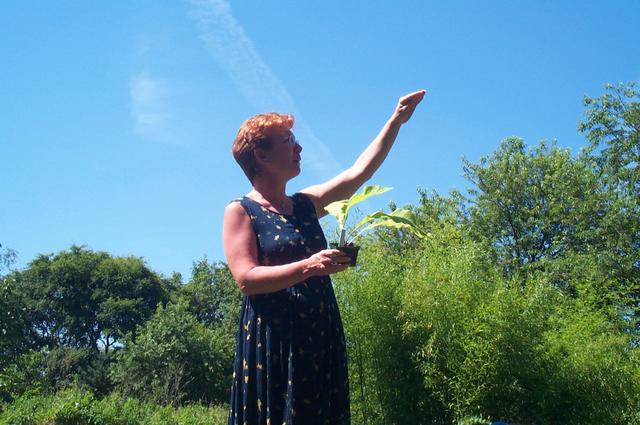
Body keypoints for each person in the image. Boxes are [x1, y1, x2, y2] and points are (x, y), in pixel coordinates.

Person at [223, 90, 426, 425]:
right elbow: (246, 279)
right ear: (261, 155)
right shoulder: (241, 210)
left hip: (319, 336)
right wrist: (311, 265)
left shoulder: (305, 204)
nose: (299, 148)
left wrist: (396, 121)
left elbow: (358, 173)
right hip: (276, 345)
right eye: (288, 141)